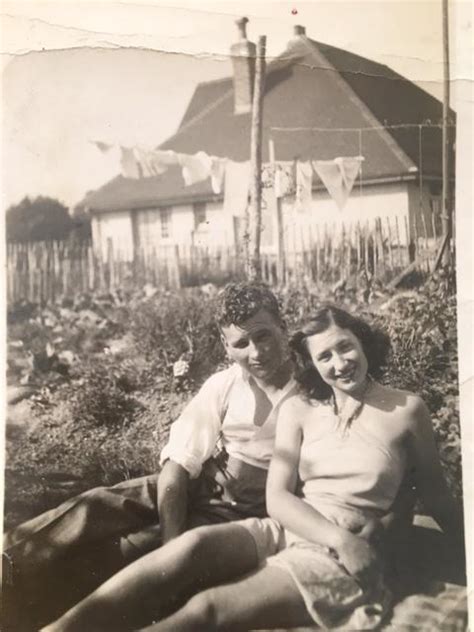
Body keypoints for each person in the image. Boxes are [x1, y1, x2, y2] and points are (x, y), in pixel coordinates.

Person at [41, 304, 464, 632]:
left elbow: (436, 495)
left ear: (363, 343)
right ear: (311, 363)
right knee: (189, 548)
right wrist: (335, 536)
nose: (339, 364)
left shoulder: (407, 409)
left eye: (345, 347)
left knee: (209, 609)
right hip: (294, 526)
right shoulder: (301, 408)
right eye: (324, 357)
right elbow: (277, 498)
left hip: (348, 550)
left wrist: (451, 545)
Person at [3, 281, 297, 627]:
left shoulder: (311, 387)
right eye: (241, 343)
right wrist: (172, 541)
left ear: (283, 326)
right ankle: (8, 562)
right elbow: (178, 464)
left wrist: (170, 558)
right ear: (225, 346)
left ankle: (37, 612)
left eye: (263, 336)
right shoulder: (226, 384)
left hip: (244, 510)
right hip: (201, 484)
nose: (256, 353)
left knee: (126, 552)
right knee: (95, 506)